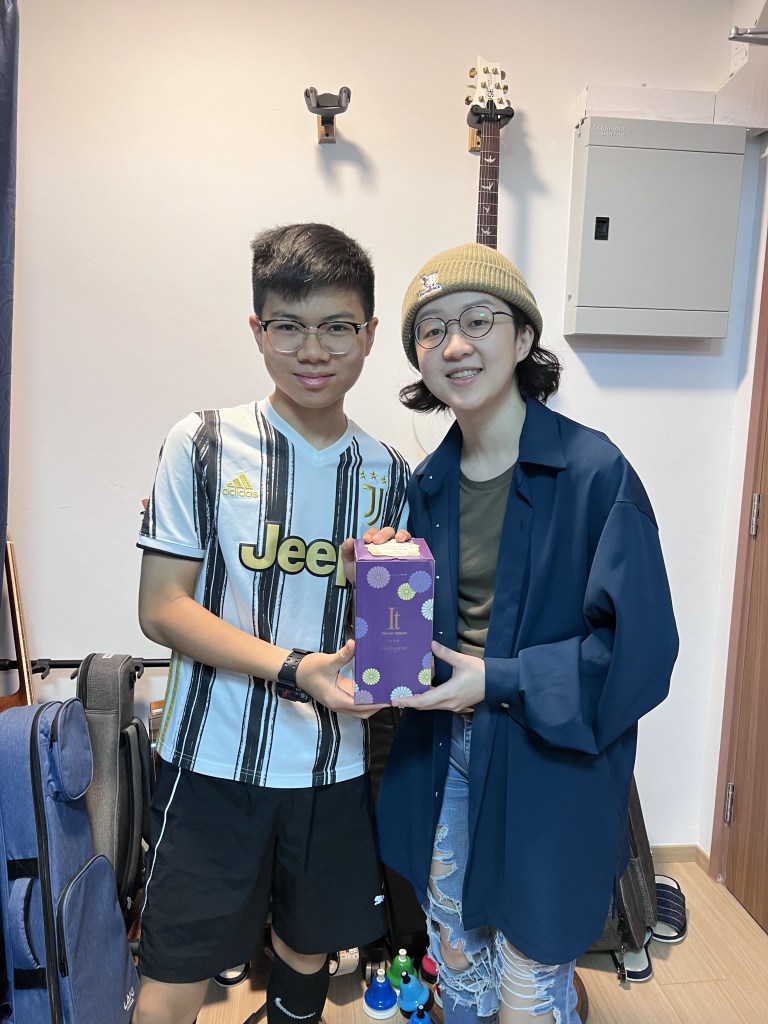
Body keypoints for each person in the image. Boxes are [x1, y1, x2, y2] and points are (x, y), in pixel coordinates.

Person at [376, 243, 679, 1024]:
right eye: (431, 330)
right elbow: (417, 641)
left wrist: (500, 679)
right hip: (442, 751)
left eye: (478, 321)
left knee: (530, 980)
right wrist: (375, 599)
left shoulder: (594, 473)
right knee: (456, 958)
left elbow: (640, 653)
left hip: (550, 761)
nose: (454, 344)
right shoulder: (426, 485)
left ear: (523, 338)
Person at [133, 223, 410, 1024]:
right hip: (211, 761)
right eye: (288, 326)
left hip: (333, 768)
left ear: (369, 334)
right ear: (258, 330)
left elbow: (387, 641)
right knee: (173, 976)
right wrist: (295, 668)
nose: (312, 350)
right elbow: (161, 607)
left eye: (337, 327)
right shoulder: (204, 443)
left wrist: (376, 605)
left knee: (308, 952)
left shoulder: (388, 473)